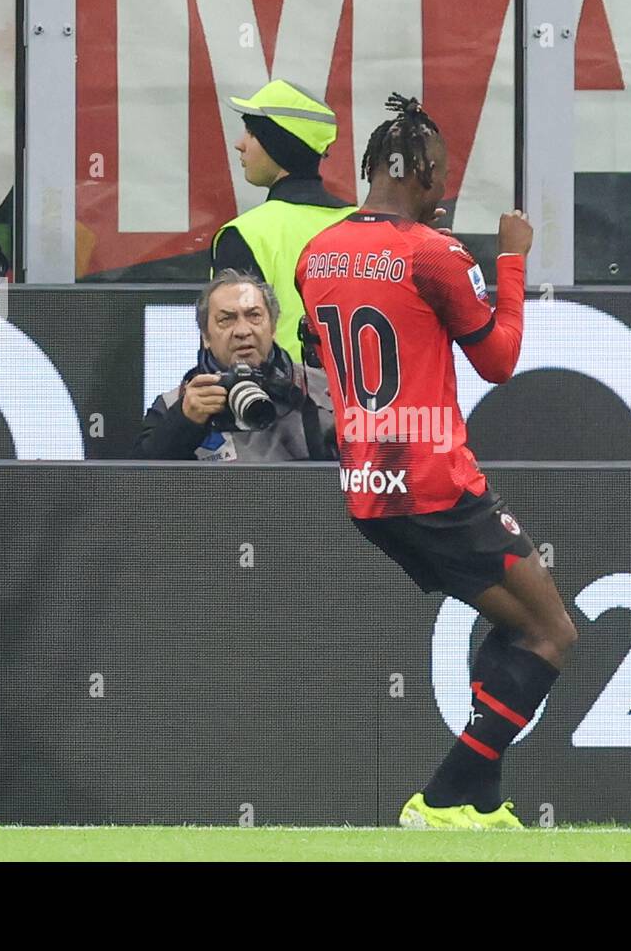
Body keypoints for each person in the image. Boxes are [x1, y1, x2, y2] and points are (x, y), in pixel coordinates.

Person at [297, 93, 577, 829]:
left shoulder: (315, 252)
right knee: (552, 634)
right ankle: (448, 797)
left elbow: (323, 340)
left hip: (367, 485)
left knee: (516, 625)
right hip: (434, 481)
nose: (446, 187)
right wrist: (510, 255)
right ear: (420, 172)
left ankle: (480, 800)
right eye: (442, 175)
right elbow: (500, 361)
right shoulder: (437, 253)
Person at [211, 80, 356, 361]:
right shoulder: (368, 225)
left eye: (251, 133)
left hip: (277, 401)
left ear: (278, 146)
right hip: (362, 401)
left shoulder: (244, 234)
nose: (239, 144)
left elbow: (231, 347)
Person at [132, 270, 335, 461]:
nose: (242, 330)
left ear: (272, 327)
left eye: (254, 316)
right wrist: (183, 422)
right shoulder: (176, 404)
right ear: (205, 336)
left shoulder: (326, 391)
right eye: (226, 320)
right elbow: (139, 486)